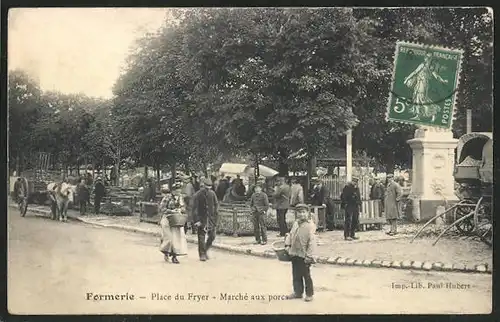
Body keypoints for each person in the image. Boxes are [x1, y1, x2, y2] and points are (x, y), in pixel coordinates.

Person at [284, 204, 316, 302]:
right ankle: (298, 292)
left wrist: (309, 256)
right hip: (294, 252)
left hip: (304, 254)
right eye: (299, 212)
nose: (301, 215)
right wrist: (287, 245)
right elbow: (290, 234)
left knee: (306, 275)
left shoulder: (310, 225)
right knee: (296, 274)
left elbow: (312, 242)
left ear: (307, 213)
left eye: (304, 212)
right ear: (296, 214)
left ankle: (309, 294)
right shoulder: (296, 223)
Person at [158, 187, 188, 264]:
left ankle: (174, 256)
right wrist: (170, 211)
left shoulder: (180, 198)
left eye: (179, 190)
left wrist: (180, 210)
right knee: (169, 237)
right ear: (173, 191)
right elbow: (162, 208)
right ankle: (166, 252)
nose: (178, 192)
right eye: (176, 190)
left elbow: (183, 208)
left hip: (176, 219)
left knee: (176, 239)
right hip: (167, 219)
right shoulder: (167, 197)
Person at [192, 178, 219, 261]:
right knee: (201, 237)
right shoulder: (197, 195)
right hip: (201, 219)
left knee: (212, 236)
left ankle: (206, 249)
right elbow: (194, 209)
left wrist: (216, 217)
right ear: (202, 186)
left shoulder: (212, 194)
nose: (208, 190)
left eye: (209, 188)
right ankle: (202, 254)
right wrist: (197, 220)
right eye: (206, 188)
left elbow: (216, 205)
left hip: (211, 219)